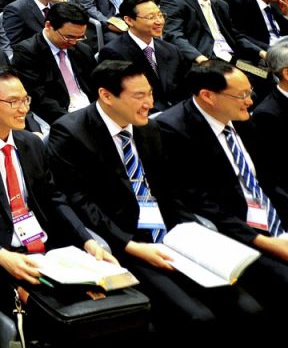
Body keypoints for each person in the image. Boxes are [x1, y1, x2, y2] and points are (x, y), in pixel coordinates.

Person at [47, 61, 263, 341]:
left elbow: (170, 190)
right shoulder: (71, 132)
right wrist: (131, 246)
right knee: (199, 317)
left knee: (249, 308)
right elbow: (81, 202)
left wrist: (191, 231)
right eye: (139, 96)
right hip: (125, 243)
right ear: (107, 95)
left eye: (150, 93)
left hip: (172, 238)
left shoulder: (149, 128)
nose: (149, 103)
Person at [0, 65, 112, 306]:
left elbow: (54, 198)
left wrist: (86, 239)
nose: (23, 109)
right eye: (13, 102)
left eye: (25, 100)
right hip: (1, 254)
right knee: (58, 313)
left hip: (47, 250)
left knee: (107, 301)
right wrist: (2, 256)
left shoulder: (31, 143)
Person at [155, 61, 288, 298]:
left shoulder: (241, 118)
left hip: (270, 213)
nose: (250, 101)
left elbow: (268, 178)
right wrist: (264, 241)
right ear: (208, 96)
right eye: (242, 95)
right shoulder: (173, 131)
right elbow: (203, 204)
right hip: (234, 230)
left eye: (250, 92)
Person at [11, 1, 97, 126]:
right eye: (69, 37)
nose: (74, 42)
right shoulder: (28, 52)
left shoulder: (82, 49)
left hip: (89, 108)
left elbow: (95, 85)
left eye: (79, 37)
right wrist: (72, 122)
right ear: (48, 26)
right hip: (58, 114)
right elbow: (39, 98)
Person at [159, 0, 246, 66]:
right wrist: (199, 58)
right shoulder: (175, 2)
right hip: (206, 60)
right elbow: (173, 35)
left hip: (233, 58)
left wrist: (262, 52)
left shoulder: (220, 4)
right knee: (241, 80)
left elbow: (235, 34)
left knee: (263, 74)